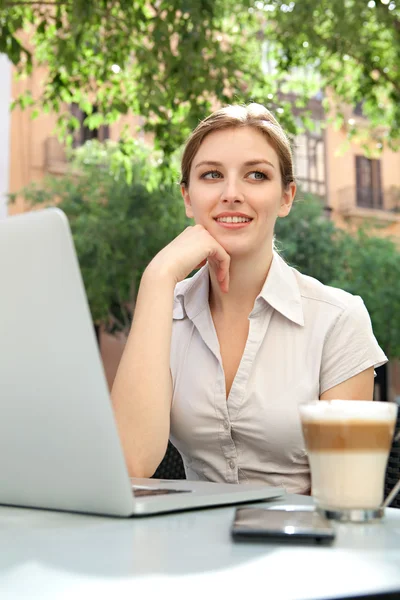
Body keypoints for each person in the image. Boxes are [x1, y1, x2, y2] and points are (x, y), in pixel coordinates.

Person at [111, 103, 387, 494]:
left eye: (256, 175)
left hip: (302, 548)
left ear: (286, 197)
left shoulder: (338, 320)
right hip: (189, 544)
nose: (232, 194)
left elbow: (344, 496)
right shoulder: (164, 311)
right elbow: (130, 466)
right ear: (188, 198)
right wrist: (158, 277)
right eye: (212, 175)